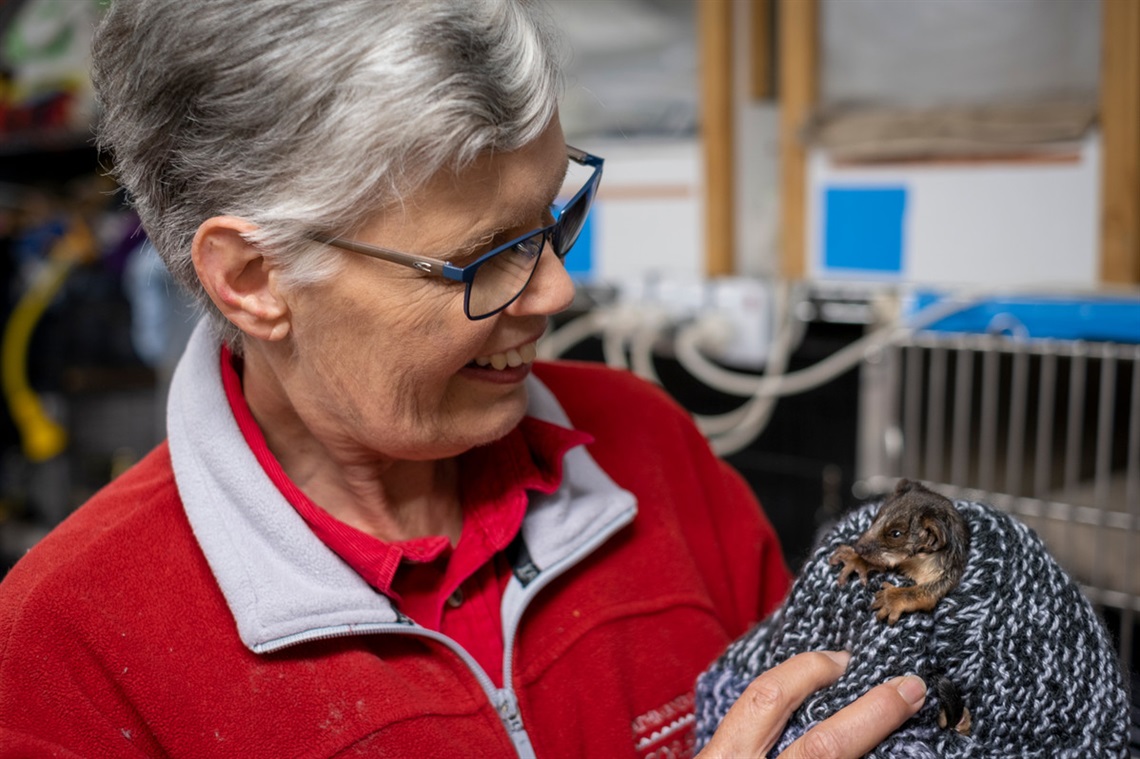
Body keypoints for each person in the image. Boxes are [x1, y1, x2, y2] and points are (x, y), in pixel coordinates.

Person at [0, 1, 927, 756]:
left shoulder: (651, 450)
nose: (557, 290)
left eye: (552, 215)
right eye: (485, 257)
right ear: (254, 281)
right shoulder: (68, 649)